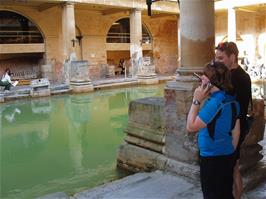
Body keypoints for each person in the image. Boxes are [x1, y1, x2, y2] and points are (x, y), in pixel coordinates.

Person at [187, 61, 240, 199]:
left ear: (210, 83)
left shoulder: (214, 103)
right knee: (225, 193)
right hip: (227, 155)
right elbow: (236, 131)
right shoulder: (232, 100)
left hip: (212, 159)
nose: (200, 82)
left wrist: (196, 100)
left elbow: (191, 126)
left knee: (212, 195)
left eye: (203, 78)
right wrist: (228, 149)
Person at [215, 41, 252, 199]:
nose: (217, 61)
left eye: (221, 58)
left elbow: (237, 107)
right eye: (216, 57)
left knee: (233, 167)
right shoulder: (229, 75)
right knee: (233, 167)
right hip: (230, 127)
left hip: (235, 128)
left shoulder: (240, 78)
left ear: (233, 57)